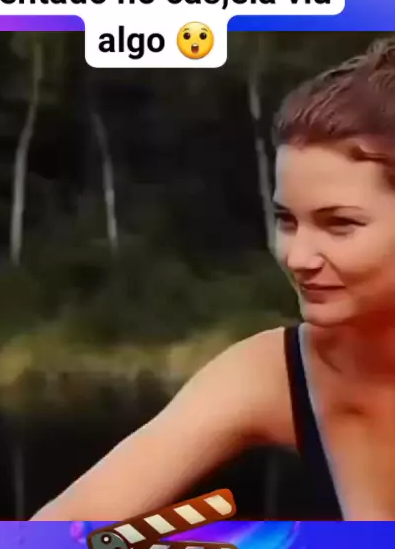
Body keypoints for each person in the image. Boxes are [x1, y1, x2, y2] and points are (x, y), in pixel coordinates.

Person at [32, 38, 395, 522]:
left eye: (339, 224)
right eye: (286, 221)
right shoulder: (276, 372)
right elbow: (52, 536)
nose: (297, 257)